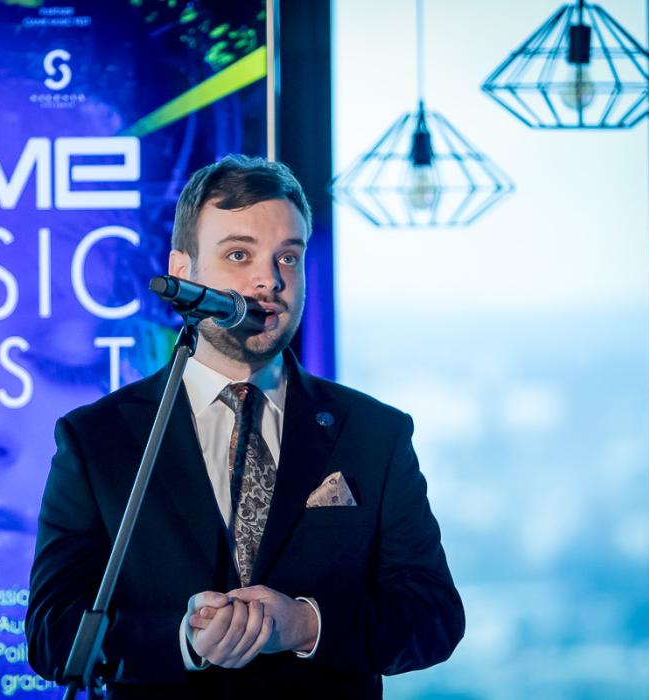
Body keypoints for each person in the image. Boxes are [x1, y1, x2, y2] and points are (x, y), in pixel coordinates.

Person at [26, 155, 464, 698]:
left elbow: (433, 616)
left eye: (288, 258)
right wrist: (184, 639)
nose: (269, 280)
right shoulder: (97, 439)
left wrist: (303, 625)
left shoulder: (375, 433)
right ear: (183, 272)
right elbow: (50, 634)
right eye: (239, 255)